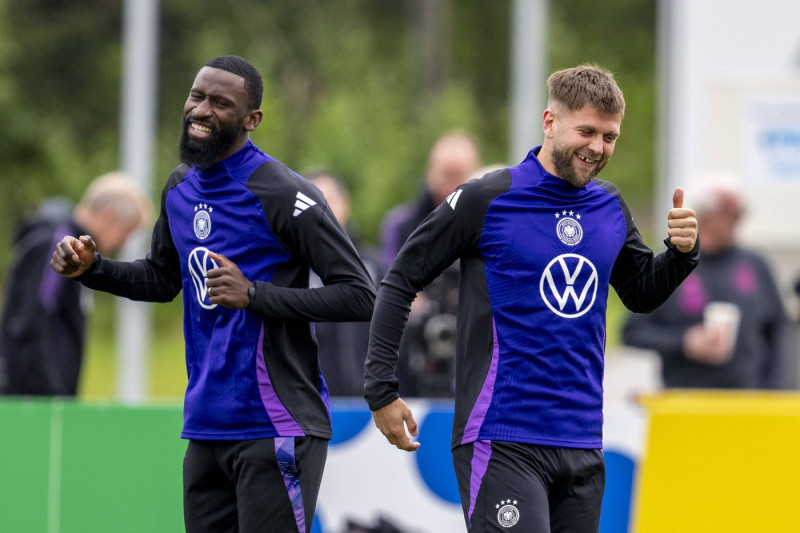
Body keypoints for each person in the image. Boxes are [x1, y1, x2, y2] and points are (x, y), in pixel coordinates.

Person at [364, 64, 699, 532]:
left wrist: (681, 255)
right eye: (586, 131)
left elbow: (640, 291)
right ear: (550, 122)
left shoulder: (609, 205)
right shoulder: (488, 198)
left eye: (610, 137)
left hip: (582, 440)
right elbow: (401, 279)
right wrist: (380, 387)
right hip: (502, 437)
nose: (598, 148)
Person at [49, 55, 375, 533]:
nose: (201, 110)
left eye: (221, 103)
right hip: (205, 426)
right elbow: (163, 279)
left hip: (276, 423)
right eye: (197, 96)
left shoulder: (284, 193)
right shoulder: (179, 188)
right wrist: (93, 270)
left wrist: (256, 295)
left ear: (252, 119)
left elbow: (359, 295)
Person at [622, 176, 790, 389]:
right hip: (687, 402)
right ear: (706, 216)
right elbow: (633, 332)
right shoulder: (671, 266)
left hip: (748, 401)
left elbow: (778, 330)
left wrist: (773, 389)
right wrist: (685, 342)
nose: (741, 219)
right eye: (733, 213)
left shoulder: (755, 264)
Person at [0, 172, 151, 396]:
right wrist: (54, 397)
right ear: (109, 217)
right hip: (33, 403)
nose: (123, 243)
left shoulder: (73, 251)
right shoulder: (60, 246)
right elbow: (30, 323)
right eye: (126, 232)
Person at [379, 131, 481, 397]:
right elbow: (388, 281)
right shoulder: (401, 225)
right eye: (445, 174)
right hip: (412, 353)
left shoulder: (490, 223)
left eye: (458, 175)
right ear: (430, 172)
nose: (450, 185)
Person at [306, 169, 383, 397]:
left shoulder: (377, 266)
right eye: (311, 203)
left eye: (328, 200)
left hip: (374, 405)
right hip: (313, 405)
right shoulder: (291, 271)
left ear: (346, 203)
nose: (321, 211)